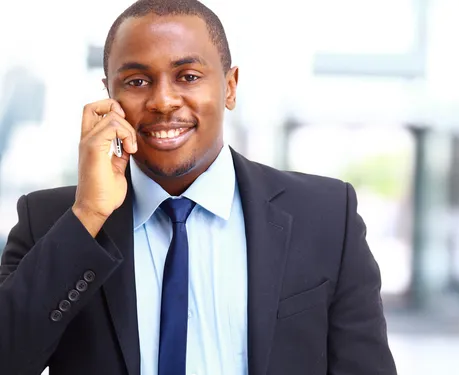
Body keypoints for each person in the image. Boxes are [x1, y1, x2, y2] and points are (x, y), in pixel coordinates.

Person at [0, 0, 397, 374]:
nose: (163, 100)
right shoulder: (51, 222)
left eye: (188, 77)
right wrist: (88, 214)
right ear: (109, 96)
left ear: (230, 87)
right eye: (137, 81)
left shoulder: (327, 216)